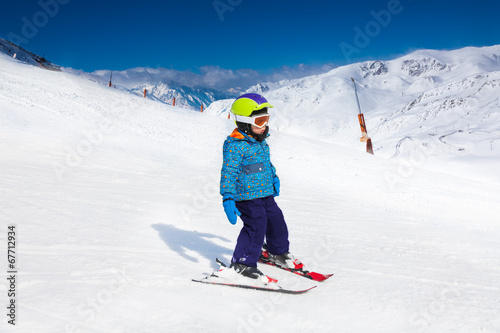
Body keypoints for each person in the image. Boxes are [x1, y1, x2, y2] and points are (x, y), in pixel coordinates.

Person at [220, 93, 303, 282]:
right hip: (245, 197)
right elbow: (228, 172)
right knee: (256, 225)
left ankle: (276, 252)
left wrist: (274, 177)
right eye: (259, 120)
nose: (264, 125)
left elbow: (267, 163)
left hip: (265, 193)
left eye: (266, 119)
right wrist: (228, 197)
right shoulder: (235, 146)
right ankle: (242, 263)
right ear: (244, 122)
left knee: (276, 220)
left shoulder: (261, 142)